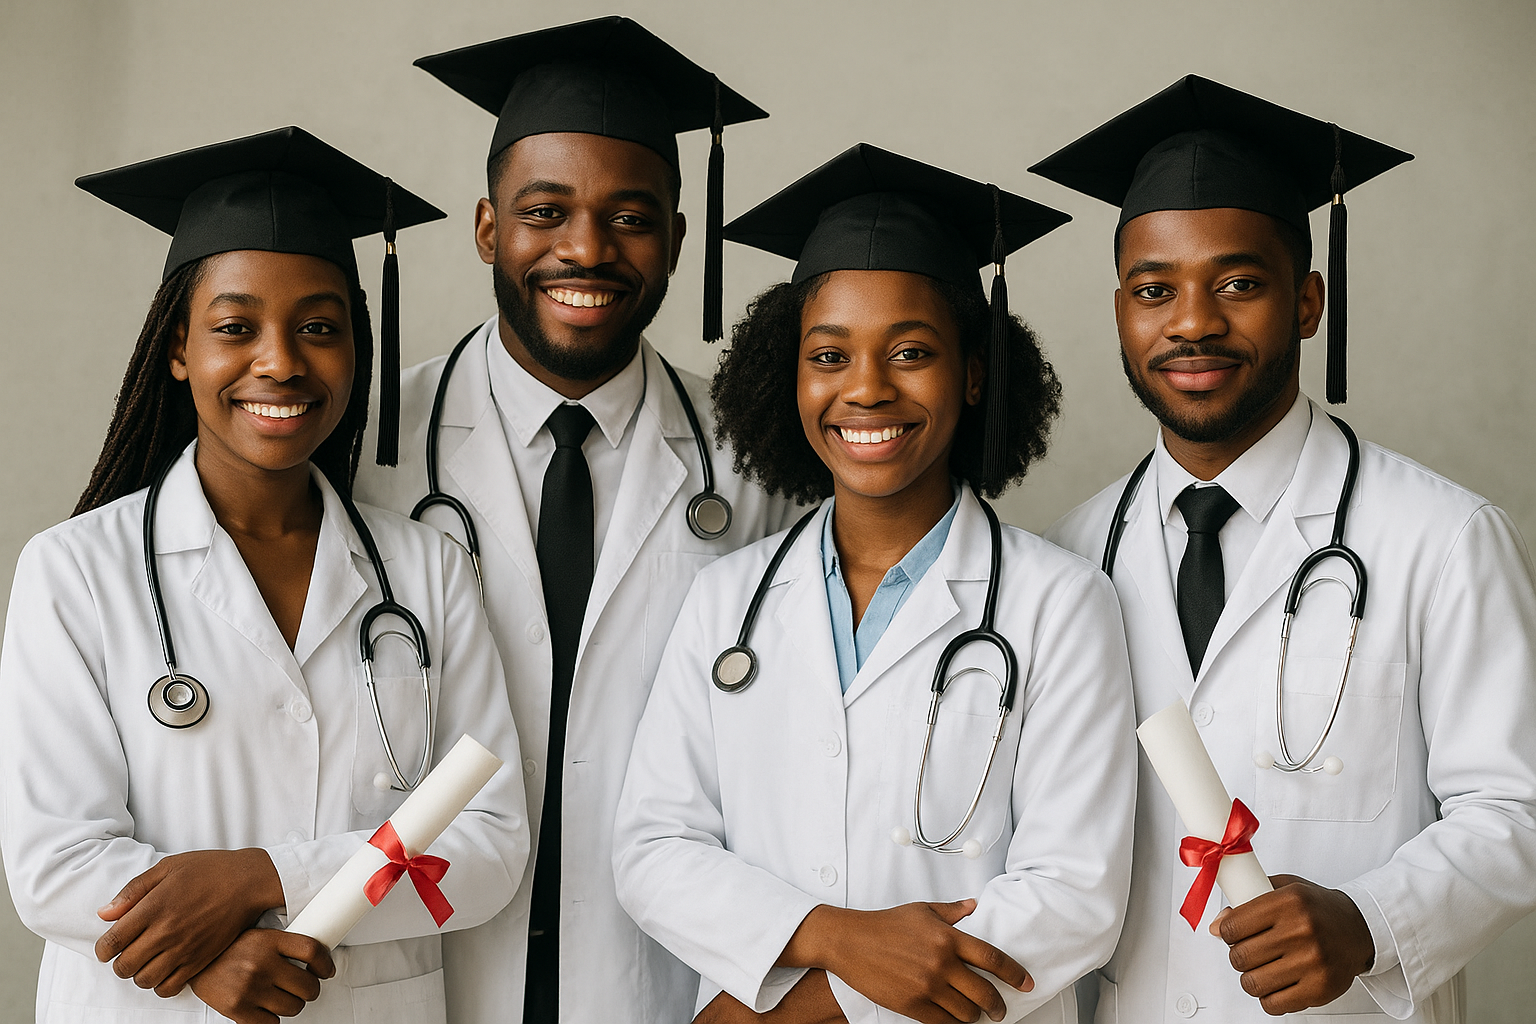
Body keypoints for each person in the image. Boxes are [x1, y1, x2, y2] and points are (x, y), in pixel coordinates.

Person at [0, 127, 530, 1024]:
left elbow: (486, 847)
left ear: (357, 349)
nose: (280, 361)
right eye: (235, 328)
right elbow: (53, 861)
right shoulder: (75, 572)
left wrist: (263, 878)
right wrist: (210, 955)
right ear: (179, 349)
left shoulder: (425, 572)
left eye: (318, 327)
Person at [1034, 76, 1536, 1022]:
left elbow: (1518, 810)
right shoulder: (1068, 558)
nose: (1192, 322)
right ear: (1119, 313)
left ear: (1306, 301)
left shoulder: (1442, 539)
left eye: (1239, 283)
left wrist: (1370, 920)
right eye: (1155, 291)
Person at [613, 143, 1138, 1024]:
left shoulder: (1061, 603)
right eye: (829, 356)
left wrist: (799, 1007)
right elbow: (654, 847)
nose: (866, 390)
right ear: (789, 376)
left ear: (972, 373)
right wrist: (829, 935)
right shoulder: (726, 599)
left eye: (910, 352)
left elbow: (1073, 895)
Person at [350, 17, 801, 1024]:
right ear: (486, 228)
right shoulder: (371, 449)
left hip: (661, 974)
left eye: (632, 217)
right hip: (421, 968)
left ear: (682, 237)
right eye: (545, 211)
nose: (587, 249)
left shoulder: (755, 461)